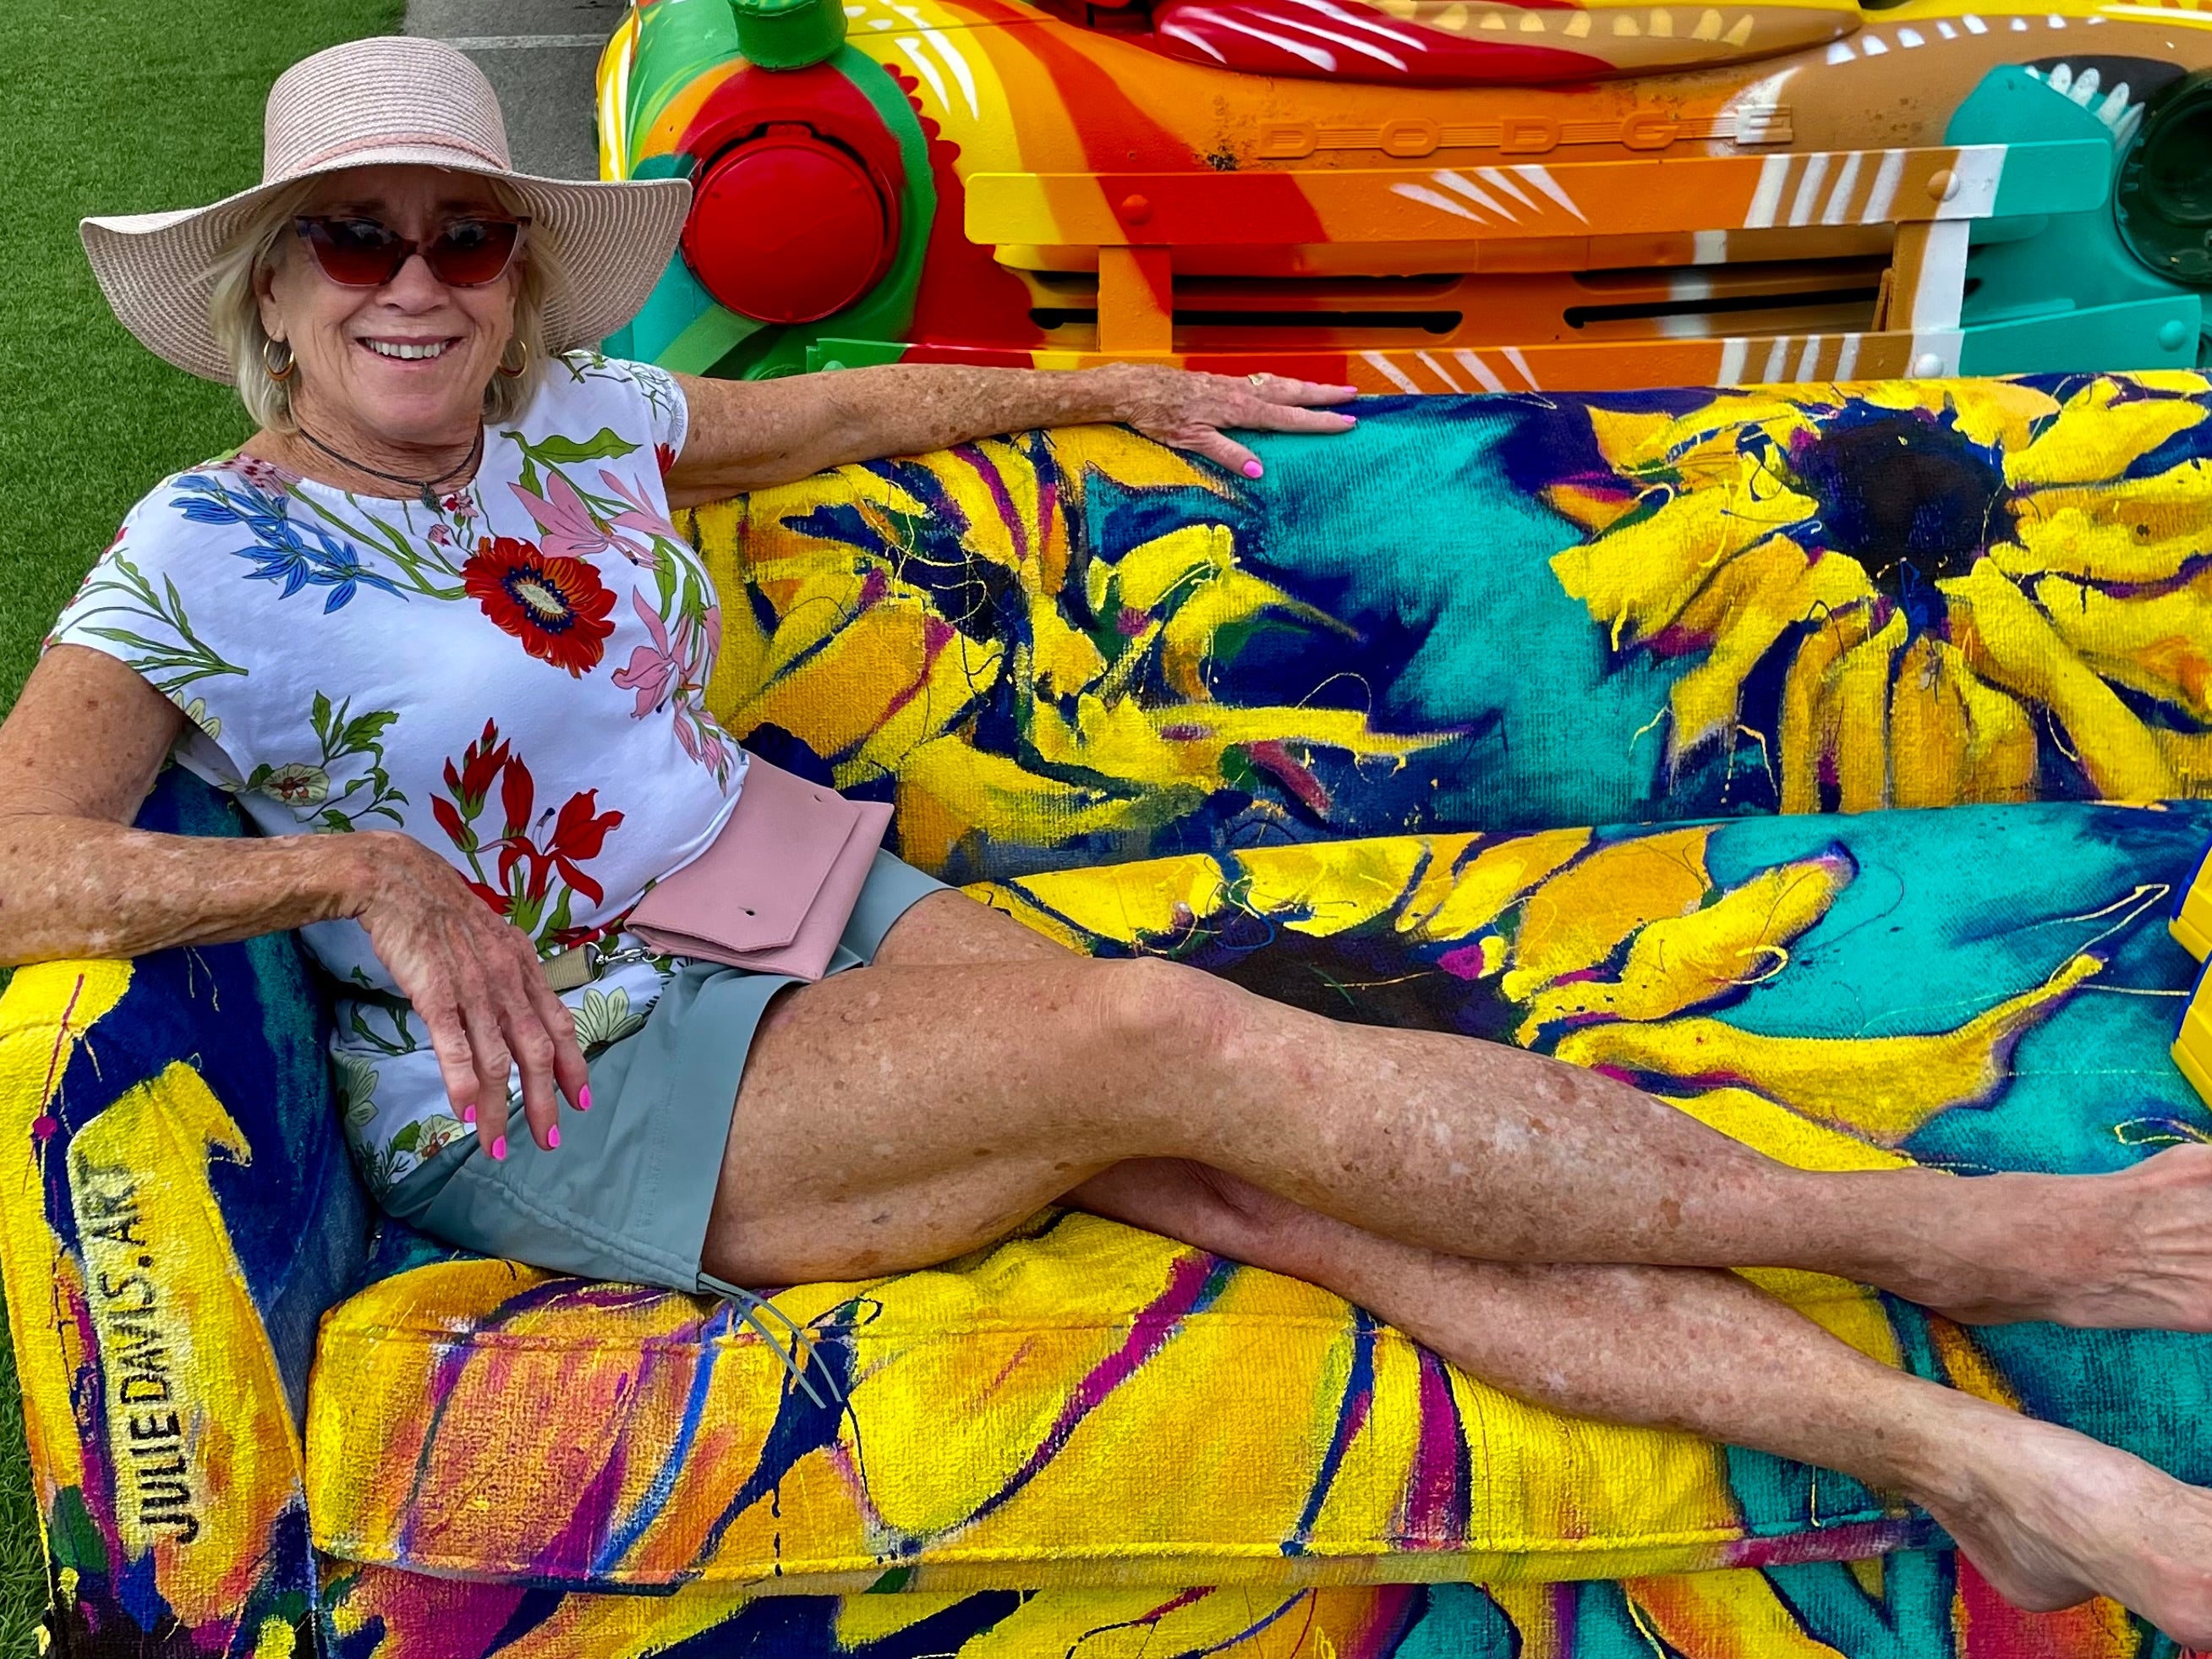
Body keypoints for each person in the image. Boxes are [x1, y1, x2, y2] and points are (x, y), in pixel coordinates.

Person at [1, 33, 2208, 1640]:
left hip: (804, 903)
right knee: (1188, 1034)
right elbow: (18, 860)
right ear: (271, 293)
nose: (416, 279)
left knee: (1304, 1194)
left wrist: (1093, 388)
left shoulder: (577, 425)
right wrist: (356, 869)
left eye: (461, 234)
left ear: (514, 270)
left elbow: (837, 405)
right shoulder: (193, 551)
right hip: (586, 1073)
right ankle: (1969, 1239)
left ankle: (1973, 1467)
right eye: (353, 240)